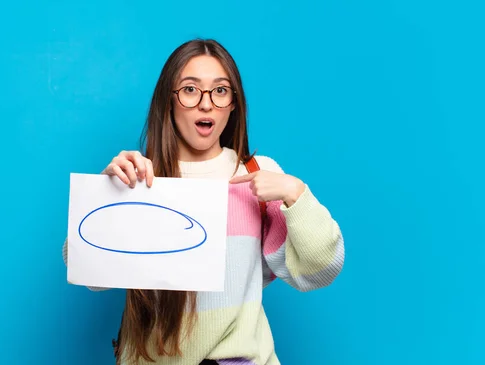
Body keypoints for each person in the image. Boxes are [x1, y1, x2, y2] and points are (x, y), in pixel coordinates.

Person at [62, 38, 345, 365]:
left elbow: (319, 272)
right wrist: (107, 195)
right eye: (190, 90)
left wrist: (297, 194)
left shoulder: (257, 175)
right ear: (168, 101)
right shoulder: (141, 180)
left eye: (220, 90)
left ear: (234, 103)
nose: (206, 104)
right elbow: (86, 274)